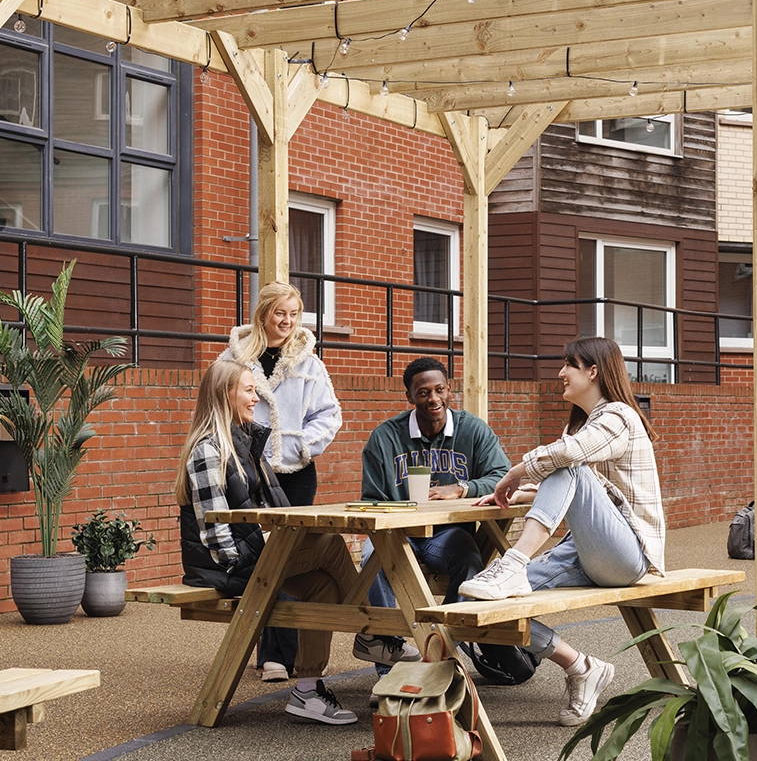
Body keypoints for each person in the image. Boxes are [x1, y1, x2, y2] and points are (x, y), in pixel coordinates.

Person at [175, 360, 411, 725]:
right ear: (225, 394)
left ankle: (307, 691)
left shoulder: (249, 441)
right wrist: (242, 561)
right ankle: (376, 634)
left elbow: (274, 509)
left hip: (255, 552)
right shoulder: (209, 450)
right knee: (331, 543)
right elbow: (213, 529)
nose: (257, 398)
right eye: (249, 390)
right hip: (225, 565)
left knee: (325, 588)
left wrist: (287, 539)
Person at [458, 336, 665, 727]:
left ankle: (514, 562)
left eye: (569, 364)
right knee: (476, 606)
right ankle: (581, 666)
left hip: (628, 556)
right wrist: (522, 492)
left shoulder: (619, 416)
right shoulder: (586, 426)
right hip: (585, 552)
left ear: (593, 371)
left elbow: (570, 461)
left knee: (567, 463)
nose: (560, 373)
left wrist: (516, 471)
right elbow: (587, 490)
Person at [359, 357, 511, 681]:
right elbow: (371, 499)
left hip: (446, 534)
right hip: (398, 535)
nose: (433, 399)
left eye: (439, 389)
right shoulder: (385, 438)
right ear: (409, 397)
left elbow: (502, 476)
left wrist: (462, 488)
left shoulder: (472, 430)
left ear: (449, 388)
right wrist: (403, 511)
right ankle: (392, 667)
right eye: (423, 392)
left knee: (469, 557)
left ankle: (443, 654)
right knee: (373, 558)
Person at [219, 281, 341, 682]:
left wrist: (299, 447)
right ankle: (272, 653)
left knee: (293, 557)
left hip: (297, 474)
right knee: (265, 556)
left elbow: (330, 415)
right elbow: (219, 405)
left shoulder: (309, 361)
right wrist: (245, 451)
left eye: (294, 313)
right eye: (279, 313)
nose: (287, 321)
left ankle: (295, 653)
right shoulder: (236, 357)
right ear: (263, 313)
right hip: (250, 472)